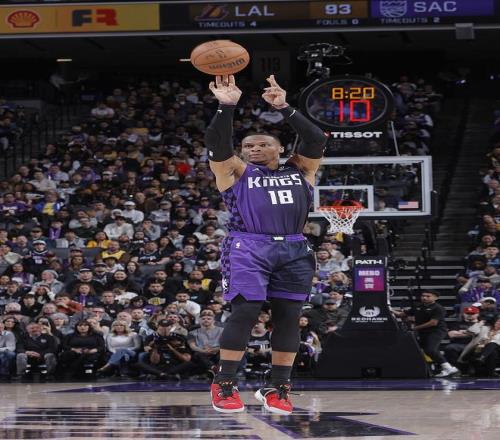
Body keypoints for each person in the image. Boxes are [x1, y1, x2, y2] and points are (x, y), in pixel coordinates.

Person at [205, 74, 327, 414]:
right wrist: (226, 106)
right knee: (245, 311)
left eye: (262, 145)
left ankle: (278, 388)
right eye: (248, 146)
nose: (254, 149)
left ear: (281, 149)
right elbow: (217, 143)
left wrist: (285, 107)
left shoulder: (300, 169)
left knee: (289, 318)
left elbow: (316, 138)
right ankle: (224, 383)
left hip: (295, 247)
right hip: (248, 246)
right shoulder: (235, 171)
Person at [401, 291, 459, 377]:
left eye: (428, 296)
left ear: (435, 298)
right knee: (424, 350)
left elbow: (433, 323)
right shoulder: (418, 306)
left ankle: (449, 368)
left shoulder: (438, 308)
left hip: (436, 331)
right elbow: (402, 314)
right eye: (423, 296)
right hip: (423, 332)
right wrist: (389, 310)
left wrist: (415, 328)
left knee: (430, 349)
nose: (424, 298)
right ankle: (443, 368)